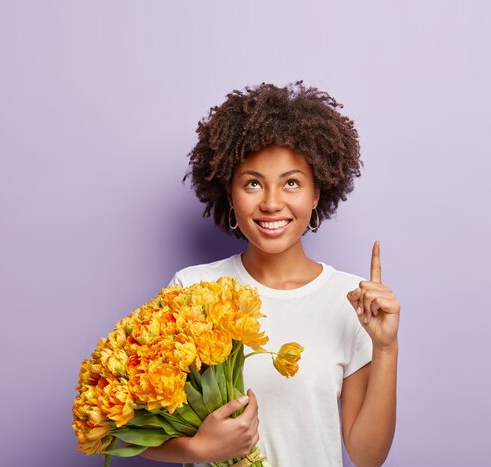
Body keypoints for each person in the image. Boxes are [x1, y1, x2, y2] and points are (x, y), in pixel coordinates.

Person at [142, 82, 400, 467]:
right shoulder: (191, 291)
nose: (272, 203)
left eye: (291, 183)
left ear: (316, 194)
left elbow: (367, 456)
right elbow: (126, 428)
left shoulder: (352, 301)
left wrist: (386, 348)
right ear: (230, 195)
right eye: (252, 184)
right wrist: (199, 449)